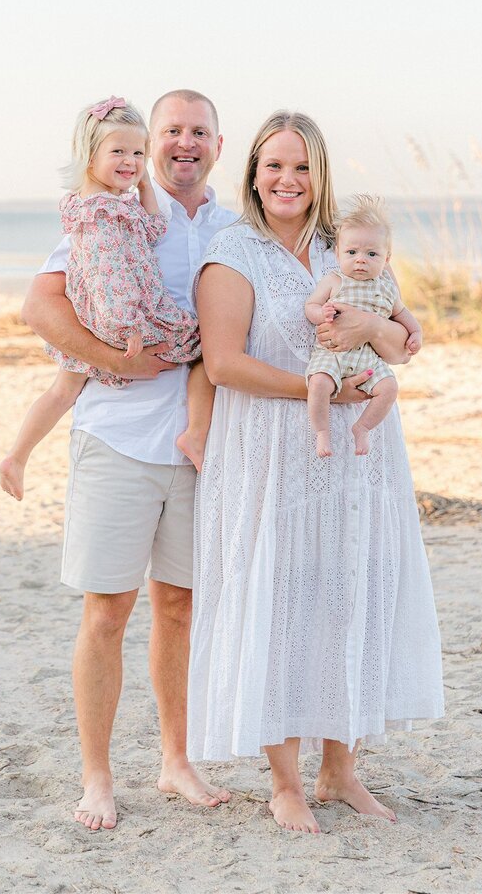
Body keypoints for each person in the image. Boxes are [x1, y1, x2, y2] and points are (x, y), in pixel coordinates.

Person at [187, 110, 444, 834]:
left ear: (320, 174)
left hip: (357, 463)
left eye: (301, 167)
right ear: (254, 173)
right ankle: (285, 784)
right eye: (274, 166)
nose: (287, 180)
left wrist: (380, 332)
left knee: (345, 598)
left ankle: (341, 771)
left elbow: (399, 342)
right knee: (279, 607)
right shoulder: (232, 252)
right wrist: (313, 388)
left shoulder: (349, 247)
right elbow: (224, 363)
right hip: (271, 455)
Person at [20, 90, 236, 831]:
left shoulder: (232, 228)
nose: (183, 142)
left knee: (179, 608)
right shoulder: (114, 210)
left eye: (196, 132)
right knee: (107, 611)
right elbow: (42, 308)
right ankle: (98, 777)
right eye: (170, 130)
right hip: (115, 439)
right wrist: (117, 357)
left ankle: (176, 762)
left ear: (217, 141)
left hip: (200, 450)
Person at [0, 97, 212, 500]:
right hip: (117, 316)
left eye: (137, 153)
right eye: (118, 152)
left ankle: (18, 454)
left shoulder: (114, 206)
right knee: (201, 345)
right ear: (88, 157)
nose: (130, 162)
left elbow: (152, 228)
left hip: (100, 315)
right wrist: (126, 329)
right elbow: (108, 276)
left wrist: (145, 184)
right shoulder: (100, 217)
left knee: (63, 389)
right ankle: (196, 434)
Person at [305, 193, 422, 458]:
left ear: (387, 258)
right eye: (352, 252)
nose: (361, 259)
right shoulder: (334, 281)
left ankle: (363, 427)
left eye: (372, 253)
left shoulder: (385, 288)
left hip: (368, 359)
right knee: (319, 383)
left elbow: (403, 314)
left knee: (390, 388)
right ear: (337, 253)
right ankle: (322, 432)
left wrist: (416, 333)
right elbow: (310, 306)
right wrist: (321, 314)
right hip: (333, 354)